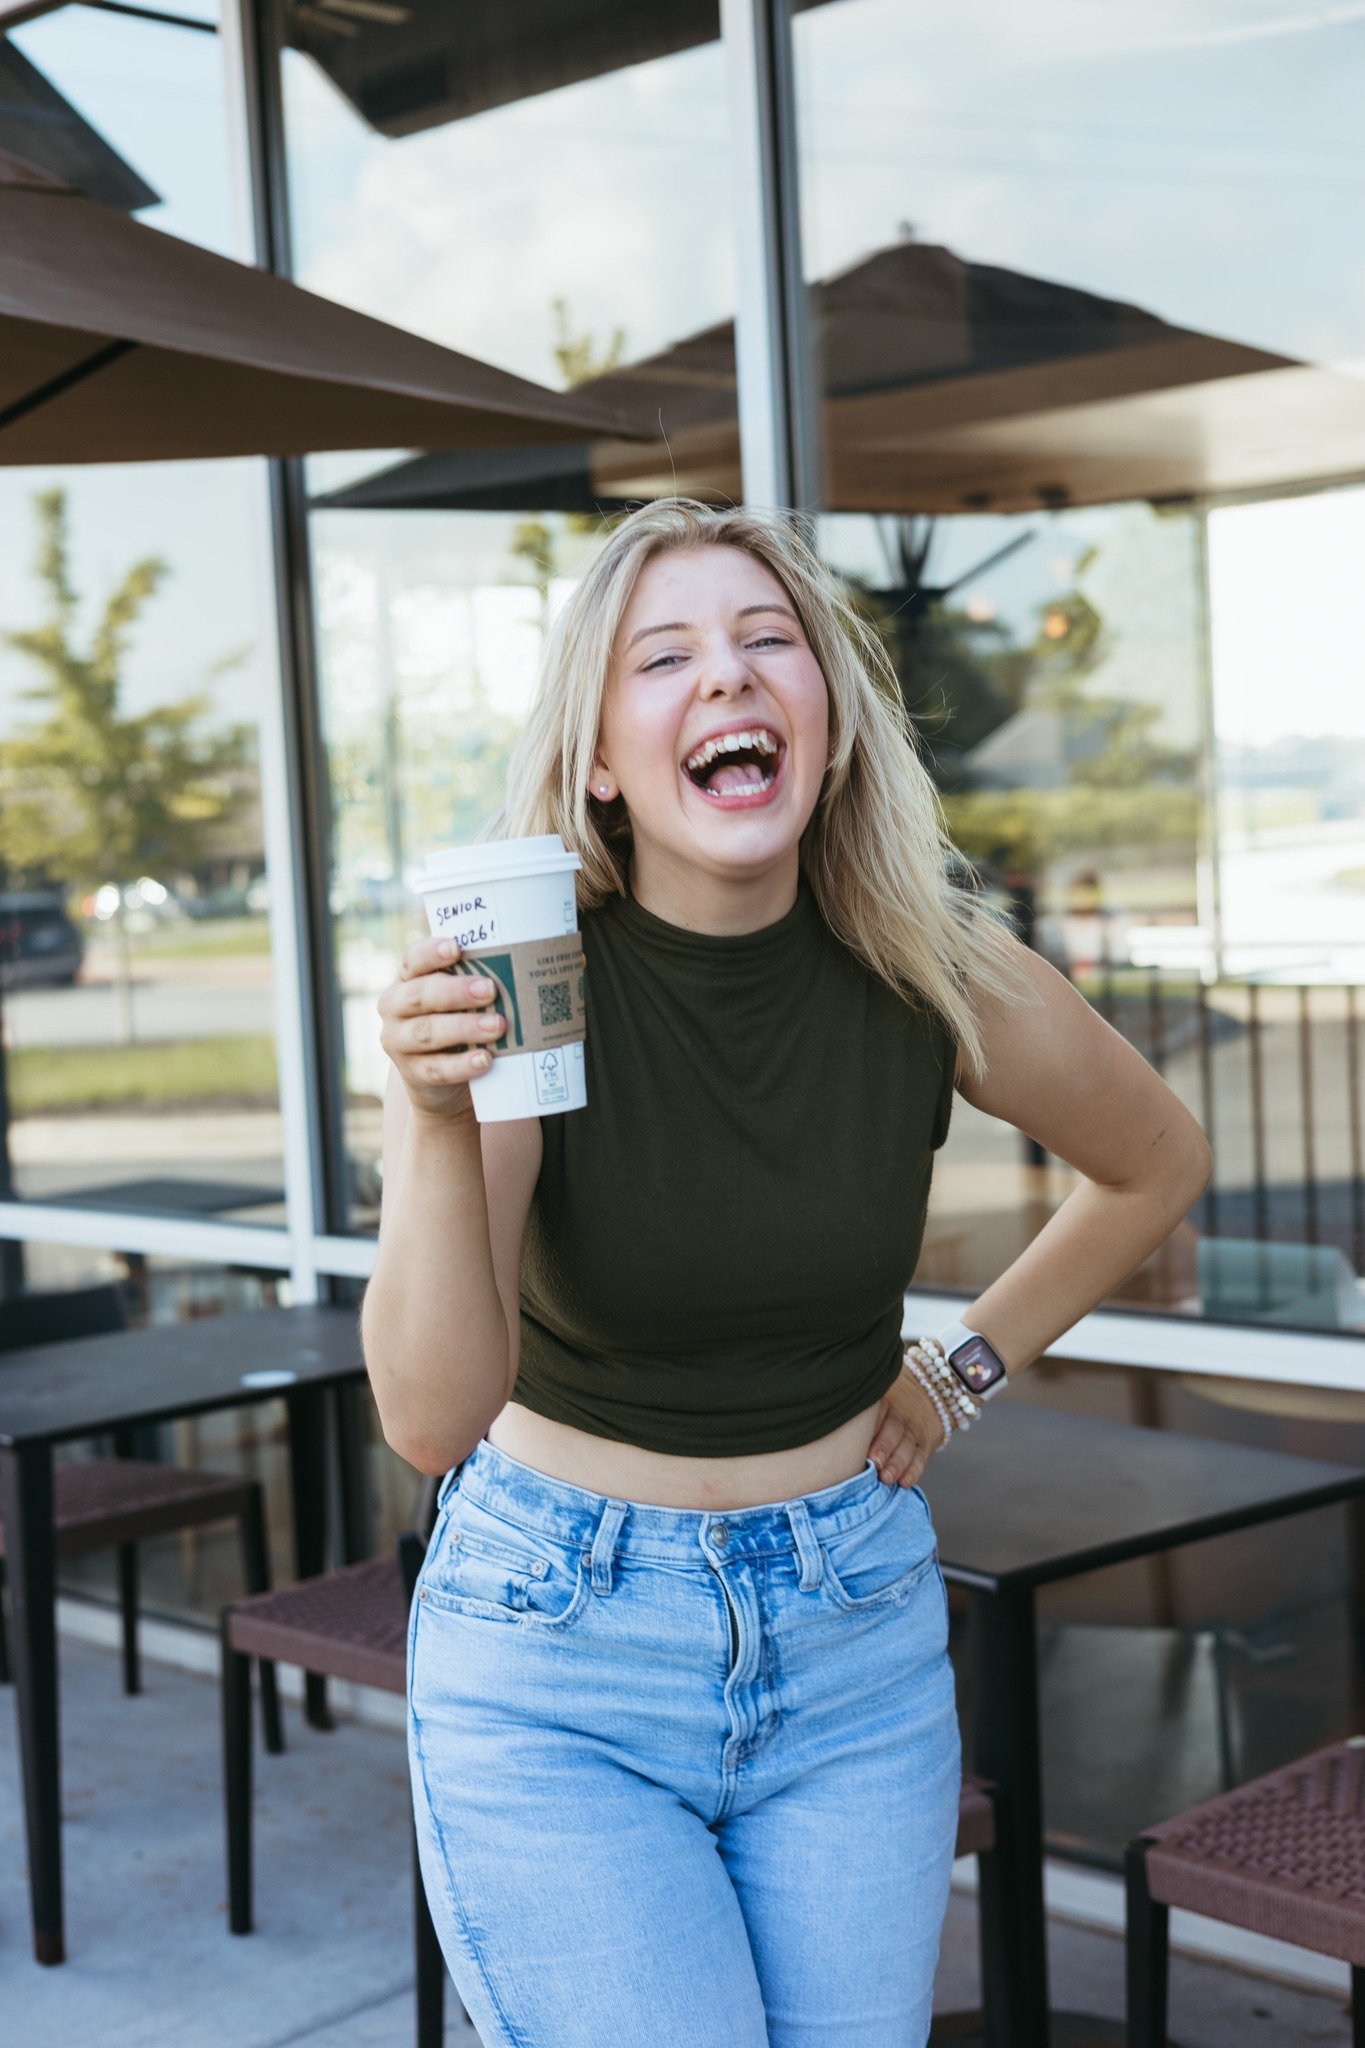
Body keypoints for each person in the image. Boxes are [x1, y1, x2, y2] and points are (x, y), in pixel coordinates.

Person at [365, 499, 1211, 2048]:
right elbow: (432, 1418)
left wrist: (962, 1368)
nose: (730, 679)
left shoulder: (927, 963)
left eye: (769, 644)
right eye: (664, 656)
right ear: (604, 760)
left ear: (825, 725)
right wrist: (432, 1116)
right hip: (560, 1654)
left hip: (850, 1636)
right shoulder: (535, 986)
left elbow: (1153, 1161)